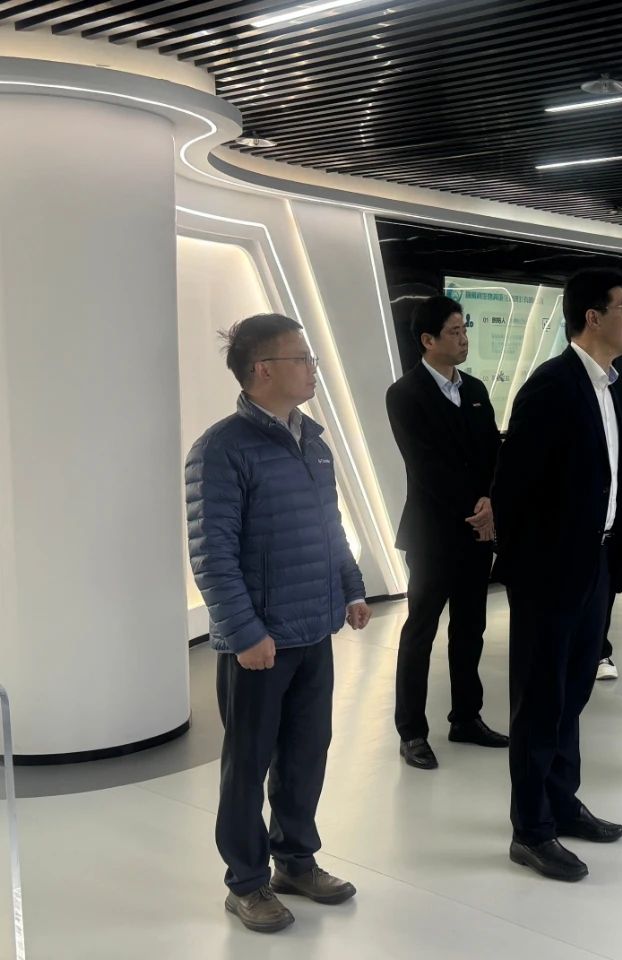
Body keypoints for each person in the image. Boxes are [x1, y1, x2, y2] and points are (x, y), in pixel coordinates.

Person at [186, 314, 371, 934]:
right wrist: (245, 633)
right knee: (248, 763)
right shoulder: (221, 449)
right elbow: (212, 553)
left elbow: (329, 526)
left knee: (305, 754)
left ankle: (295, 860)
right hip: (260, 642)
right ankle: (246, 882)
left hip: (314, 629)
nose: (313, 368)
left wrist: (350, 587)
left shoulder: (312, 442)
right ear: (263, 370)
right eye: (302, 359)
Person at [492, 268, 622, 882]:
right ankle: (531, 829)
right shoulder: (551, 386)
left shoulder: (616, 390)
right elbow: (513, 488)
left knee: (573, 694)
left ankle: (562, 802)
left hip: (596, 562)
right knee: (539, 700)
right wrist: (530, 574)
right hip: (550, 573)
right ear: (592, 317)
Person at [385, 295, 508, 771]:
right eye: (454, 332)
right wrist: (474, 509)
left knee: (471, 628)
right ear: (428, 340)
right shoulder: (405, 394)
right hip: (433, 534)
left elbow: (493, 452)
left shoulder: (474, 388)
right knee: (421, 630)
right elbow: (425, 465)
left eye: (464, 330)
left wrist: (491, 502)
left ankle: (467, 717)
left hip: (478, 532)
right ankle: (412, 731)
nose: (463, 339)